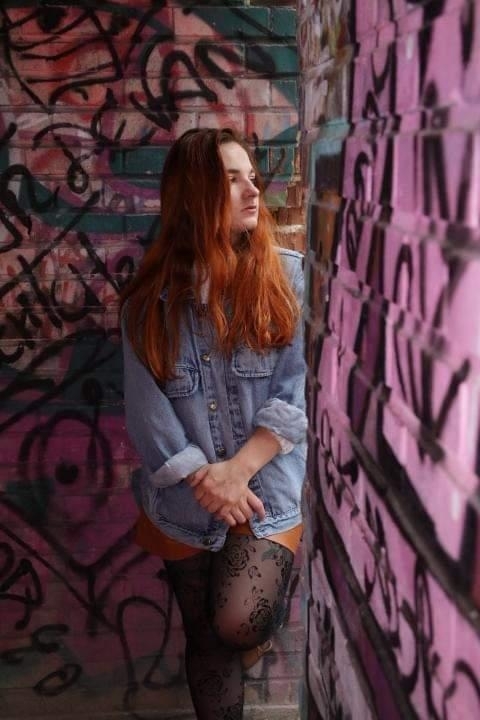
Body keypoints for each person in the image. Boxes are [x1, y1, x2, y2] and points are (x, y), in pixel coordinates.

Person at [120, 127, 307, 720]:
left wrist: (237, 473)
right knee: (204, 636)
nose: (253, 190)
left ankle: (259, 631)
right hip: (185, 499)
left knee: (237, 622)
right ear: (192, 195)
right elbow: (146, 412)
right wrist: (207, 480)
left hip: (265, 490)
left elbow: (298, 388)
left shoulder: (289, 277)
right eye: (232, 179)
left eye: (252, 177)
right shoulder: (149, 302)